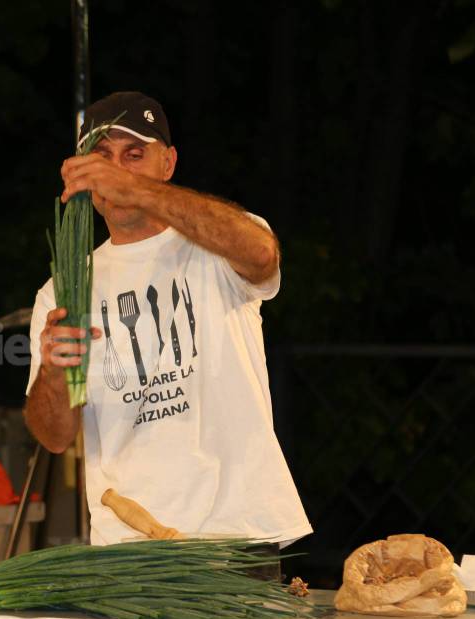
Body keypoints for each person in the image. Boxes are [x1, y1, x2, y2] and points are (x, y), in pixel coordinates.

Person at [24, 91, 312, 546]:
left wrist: (135, 190)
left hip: (238, 531)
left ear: (169, 163)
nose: (118, 170)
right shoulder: (63, 288)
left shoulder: (211, 245)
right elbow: (54, 436)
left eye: (134, 156)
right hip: (130, 545)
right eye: (103, 157)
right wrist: (54, 373)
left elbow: (262, 254)